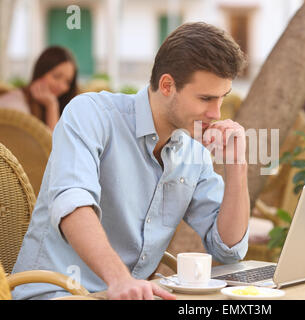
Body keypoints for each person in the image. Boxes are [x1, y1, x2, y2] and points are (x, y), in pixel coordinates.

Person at [12, 22, 250, 300]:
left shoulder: (193, 153)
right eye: (206, 98)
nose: (216, 113)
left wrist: (237, 168)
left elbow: (228, 250)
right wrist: (121, 280)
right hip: (55, 292)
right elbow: (72, 204)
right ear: (167, 85)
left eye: (222, 98)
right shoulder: (91, 114)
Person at [0, 46, 78, 131]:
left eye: (67, 82)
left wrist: (51, 105)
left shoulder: (64, 106)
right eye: (56, 76)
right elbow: (54, 143)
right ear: (41, 71)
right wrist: (52, 106)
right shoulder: (15, 105)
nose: (61, 86)